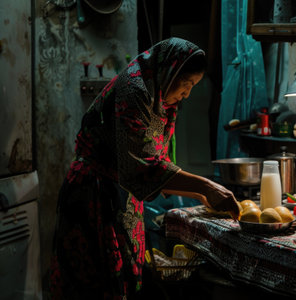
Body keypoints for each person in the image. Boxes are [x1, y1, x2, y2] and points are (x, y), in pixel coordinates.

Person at [50, 37, 240, 299]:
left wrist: (203, 197)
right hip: (94, 194)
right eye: (186, 84)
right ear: (169, 71)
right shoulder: (134, 90)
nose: (188, 93)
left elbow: (154, 163)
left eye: (193, 86)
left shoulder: (160, 101)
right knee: (97, 282)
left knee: (126, 278)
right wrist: (206, 186)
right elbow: (143, 166)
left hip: (124, 197)